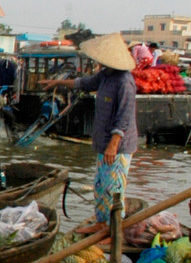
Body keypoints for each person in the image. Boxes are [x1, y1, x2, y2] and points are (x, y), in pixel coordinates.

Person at [40, 32, 137, 235]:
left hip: (117, 146)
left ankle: (114, 231)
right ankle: (102, 223)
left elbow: (125, 117)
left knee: (114, 188)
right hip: (103, 143)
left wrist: (113, 144)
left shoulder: (124, 81)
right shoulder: (106, 76)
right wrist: (57, 83)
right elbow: (84, 83)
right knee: (101, 186)